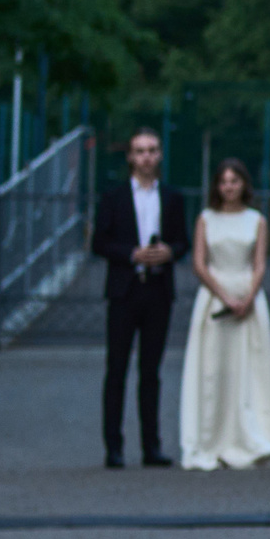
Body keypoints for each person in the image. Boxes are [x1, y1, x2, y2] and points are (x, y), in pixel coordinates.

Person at [178, 157, 270, 469]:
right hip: (214, 296)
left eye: (234, 181)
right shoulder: (206, 219)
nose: (229, 187)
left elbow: (261, 262)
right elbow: (199, 263)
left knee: (249, 366)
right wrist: (223, 296)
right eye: (224, 182)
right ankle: (211, 434)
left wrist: (248, 297)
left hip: (248, 295)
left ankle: (251, 432)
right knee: (213, 367)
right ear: (217, 186)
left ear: (243, 185)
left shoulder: (257, 220)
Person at [93, 126, 185, 468]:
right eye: (140, 151)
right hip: (124, 290)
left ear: (160, 155)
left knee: (152, 371)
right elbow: (98, 243)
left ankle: (152, 446)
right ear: (130, 157)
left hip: (158, 290)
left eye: (152, 150)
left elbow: (183, 242)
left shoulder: (172, 198)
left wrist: (168, 252)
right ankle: (113, 446)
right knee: (116, 369)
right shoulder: (113, 197)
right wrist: (131, 254)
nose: (146, 157)